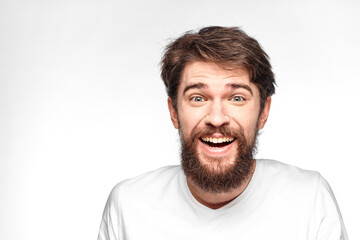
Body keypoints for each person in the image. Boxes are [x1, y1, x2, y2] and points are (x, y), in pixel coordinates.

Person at [97, 26, 348, 240]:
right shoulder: (128, 204)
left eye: (237, 98)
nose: (216, 118)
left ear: (263, 112)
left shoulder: (309, 198)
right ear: (174, 112)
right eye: (198, 98)